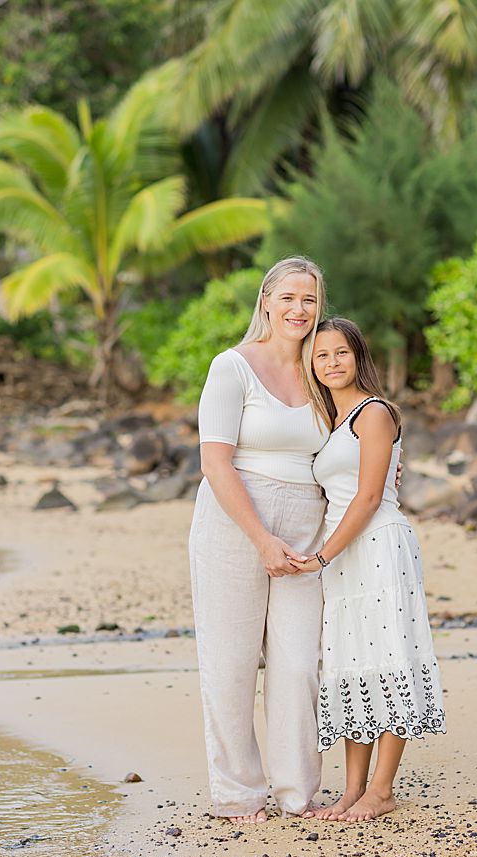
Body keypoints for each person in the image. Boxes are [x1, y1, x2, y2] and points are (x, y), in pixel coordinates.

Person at [189, 257, 329, 823]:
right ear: (267, 299)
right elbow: (215, 463)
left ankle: (298, 794)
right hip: (235, 523)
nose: (299, 310)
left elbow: (356, 436)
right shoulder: (232, 367)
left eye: (311, 300)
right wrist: (261, 539)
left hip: (308, 527)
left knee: (298, 665)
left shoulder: (324, 371)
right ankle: (238, 793)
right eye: (289, 297)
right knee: (232, 664)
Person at [295, 318, 446, 822]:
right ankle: (351, 791)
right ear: (311, 366)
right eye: (321, 356)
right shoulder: (331, 423)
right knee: (352, 666)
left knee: (388, 660)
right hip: (342, 552)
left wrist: (320, 556)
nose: (332, 362)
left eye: (341, 353)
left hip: (376, 543)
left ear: (359, 356)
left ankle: (382, 790)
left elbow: (367, 497)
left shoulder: (374, 413)